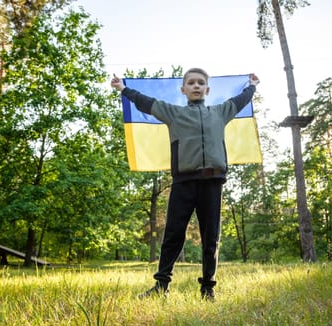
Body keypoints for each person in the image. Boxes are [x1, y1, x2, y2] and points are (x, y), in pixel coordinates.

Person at [111, 68, 260, 301]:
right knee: (173, 234)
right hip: (184, 183)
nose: (196, 86)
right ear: (183, 89)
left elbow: (239, 100)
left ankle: (208, 288)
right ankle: (161, 286)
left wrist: (251, 86)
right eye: (191, 83)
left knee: (211, 238)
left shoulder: (220, 112)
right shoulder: (174, 114)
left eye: (201, 83)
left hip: (213, 183)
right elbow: (147, 103)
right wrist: (124, 89)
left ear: (207, 90)